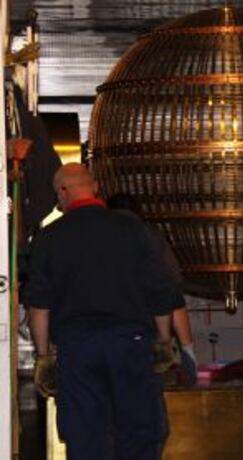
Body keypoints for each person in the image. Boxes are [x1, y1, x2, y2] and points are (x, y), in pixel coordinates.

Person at [23, 163, 184, 460]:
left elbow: (39, 306)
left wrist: (43, 356)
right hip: (131, 344)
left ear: (62, 192)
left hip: (77, 349)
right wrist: (163, 340)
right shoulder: (133, 229)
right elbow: (160, 290)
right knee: (139, 430)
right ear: (95, 187)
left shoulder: (49, 238)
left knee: (86, 435)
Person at [106, 192, 197, 384]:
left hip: (112, 326)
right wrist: (185, 349)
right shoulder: (150, 234)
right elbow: (171, 285)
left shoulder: (101, 236)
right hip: (150, 324)